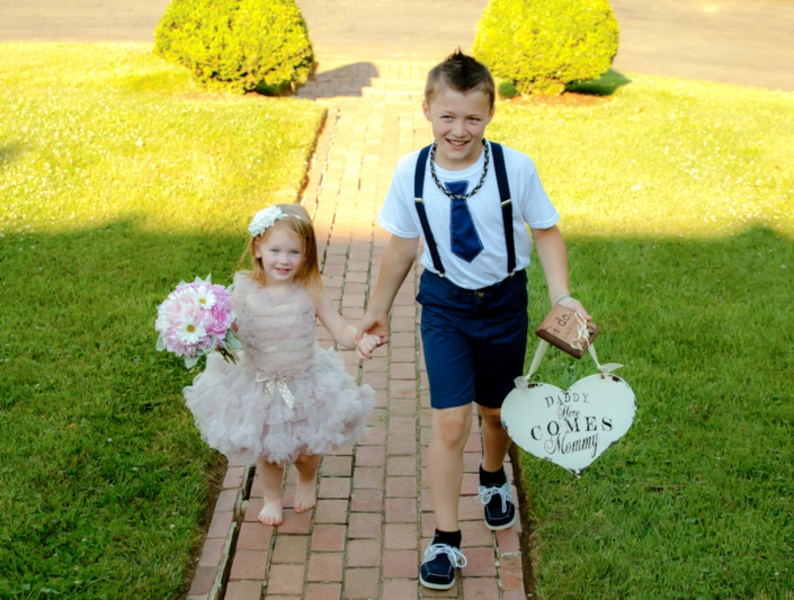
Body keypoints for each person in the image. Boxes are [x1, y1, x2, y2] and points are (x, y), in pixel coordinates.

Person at [356, 50, 590, 590]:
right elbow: (402, 245)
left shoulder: (514, 168)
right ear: (426, 110)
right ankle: (445, 537)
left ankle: (492, 475)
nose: (458, 130)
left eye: (472, 118)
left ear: (490, 115)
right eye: (447, 116)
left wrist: (562, 296)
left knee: (496, 413)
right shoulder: (411, 173)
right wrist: (377, 311)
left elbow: (546, 231)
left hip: (504, 302)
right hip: (445, 305)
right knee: (450, 421)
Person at [184, 204, 379, 526]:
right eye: (275, 250)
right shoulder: (242, 293)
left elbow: (340, 329)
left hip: (304, 383)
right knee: (268, 450)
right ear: (257, 249)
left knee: (306, 451)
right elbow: (228, 331)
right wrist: (206, 330)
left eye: (294, 252)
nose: (284, 260)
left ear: (306, 254)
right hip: (258, 384)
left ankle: (307, 478)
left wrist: (359, 338)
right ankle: (272, 498)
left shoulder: (310, 291)